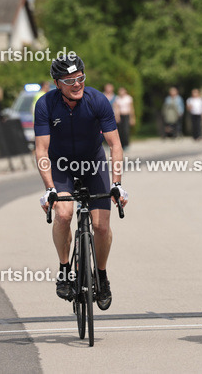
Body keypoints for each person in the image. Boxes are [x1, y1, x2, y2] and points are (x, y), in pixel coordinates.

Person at [35, 54, 126, 311]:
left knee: (101, 226)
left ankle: (102, 275)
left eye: (80, 78)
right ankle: (65, 269)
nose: (77, 84)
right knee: (63, 214)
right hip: (60, 165)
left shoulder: (98, 101)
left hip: (92, 164)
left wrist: (117, 183)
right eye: (70, 80)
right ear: (57, 84)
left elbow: (115, 145)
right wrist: (50, 188)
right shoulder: (45, 105)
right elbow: (42, 151)